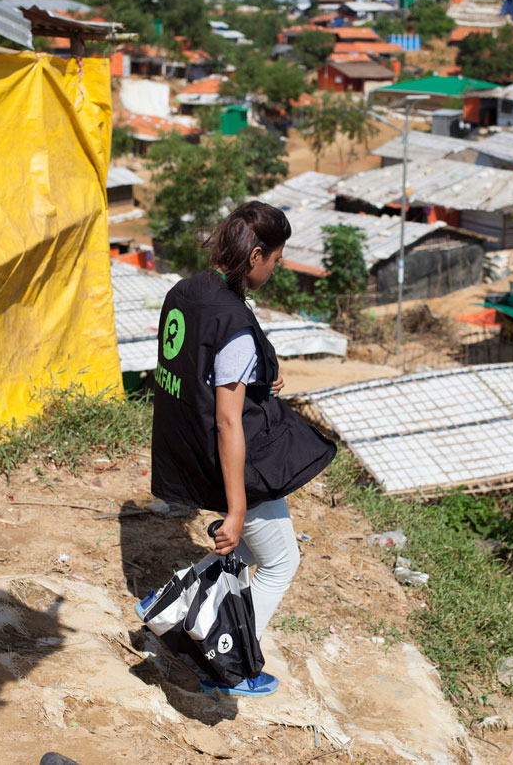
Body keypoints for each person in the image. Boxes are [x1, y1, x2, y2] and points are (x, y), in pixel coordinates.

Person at [145, 201, 336, 698]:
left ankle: (172, 601)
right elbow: (229, 422)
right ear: (255, 255)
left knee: (253, 547)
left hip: (183, 447)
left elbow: (196, 372)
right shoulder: (233, 320)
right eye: (276, 257)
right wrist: (235, 509)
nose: (278, 266)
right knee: (280, 562)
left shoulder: (185, 291)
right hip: (227, 459)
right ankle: (225, 660)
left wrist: (255, 382)